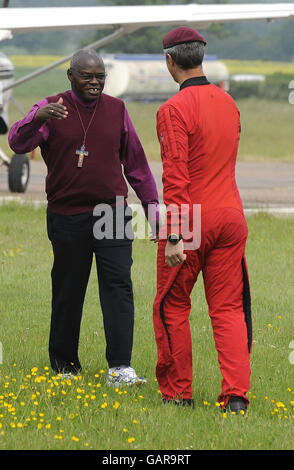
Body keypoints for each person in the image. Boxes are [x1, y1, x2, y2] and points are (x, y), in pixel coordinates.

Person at [9, 49, 160, 386]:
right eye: (87, 76)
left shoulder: (117, 109)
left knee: (119, 286)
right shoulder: (51, 107)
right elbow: (17, 143)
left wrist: (153, 210)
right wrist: (37, 117)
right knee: (68, 289)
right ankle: (65, 367)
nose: (95, 82)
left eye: (100, 76)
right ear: (70, 76)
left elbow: (136, 164)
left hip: (112, 213)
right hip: (67, 215)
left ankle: (120, 368)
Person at [153, 27, 252, 413]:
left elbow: (175, 175)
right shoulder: (229, 103)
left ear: (170, 61)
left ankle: (179, 395)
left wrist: (175, 234)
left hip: (192, 219)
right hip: (231, 215)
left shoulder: (172, 110)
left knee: (172, 305)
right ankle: (236, 398)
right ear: (201, 58)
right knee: (228, 308)